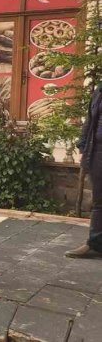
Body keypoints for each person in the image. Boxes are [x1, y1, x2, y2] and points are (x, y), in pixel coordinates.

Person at [66, 83, 102, 259]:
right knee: (99, 200)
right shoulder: (100, 89)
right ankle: (95, 243)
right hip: (98, 151)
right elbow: (90, 120)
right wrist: (82, 146)